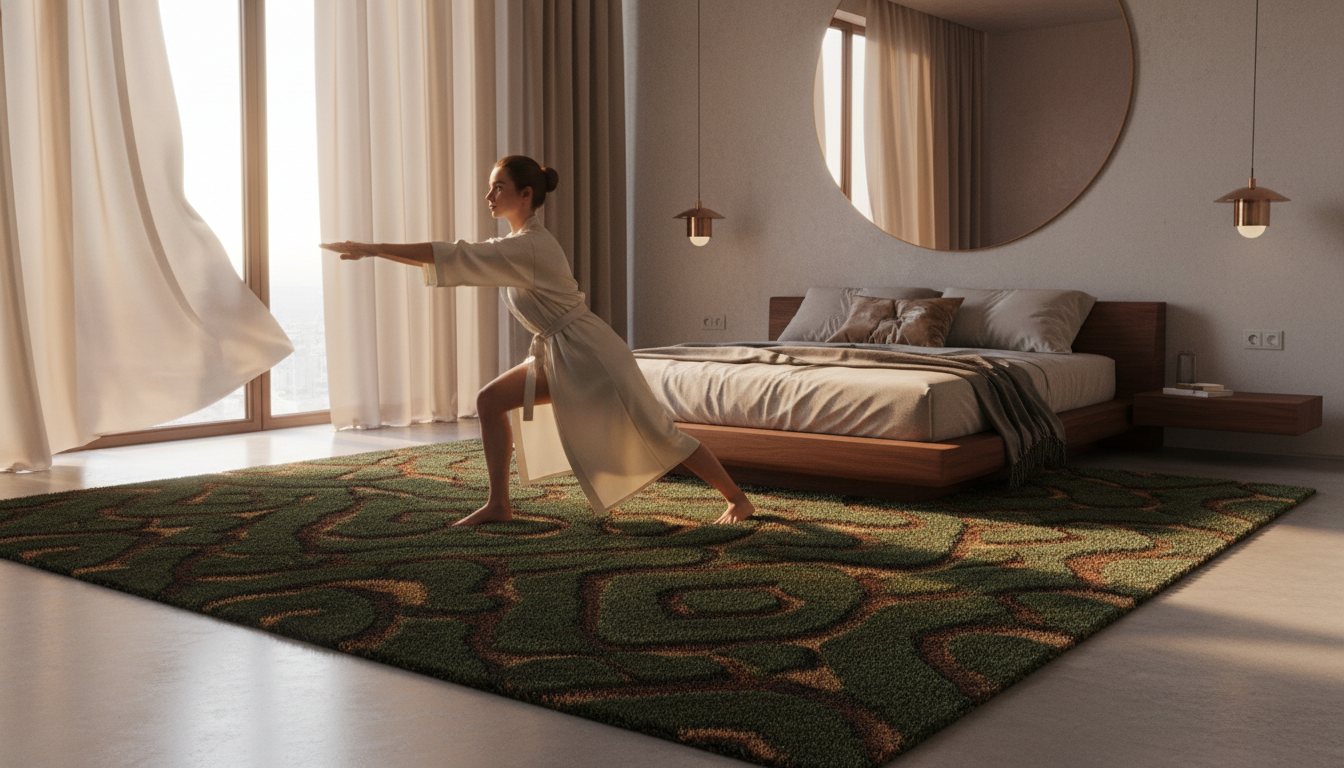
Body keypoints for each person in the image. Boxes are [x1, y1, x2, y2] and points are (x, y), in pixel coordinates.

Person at [320, 156, 756, 526]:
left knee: (657, 431)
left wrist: (373, 247)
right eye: (490, 189)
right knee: (490, 402)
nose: (489, 196)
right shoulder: (517, 244)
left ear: (526, 194)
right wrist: (374, 251)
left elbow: (451, 253)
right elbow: (453, 256)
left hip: (590, 354)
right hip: (559, 350)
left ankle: (737, 499)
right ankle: (498, 504)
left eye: (499, 188)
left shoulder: (529, 247)